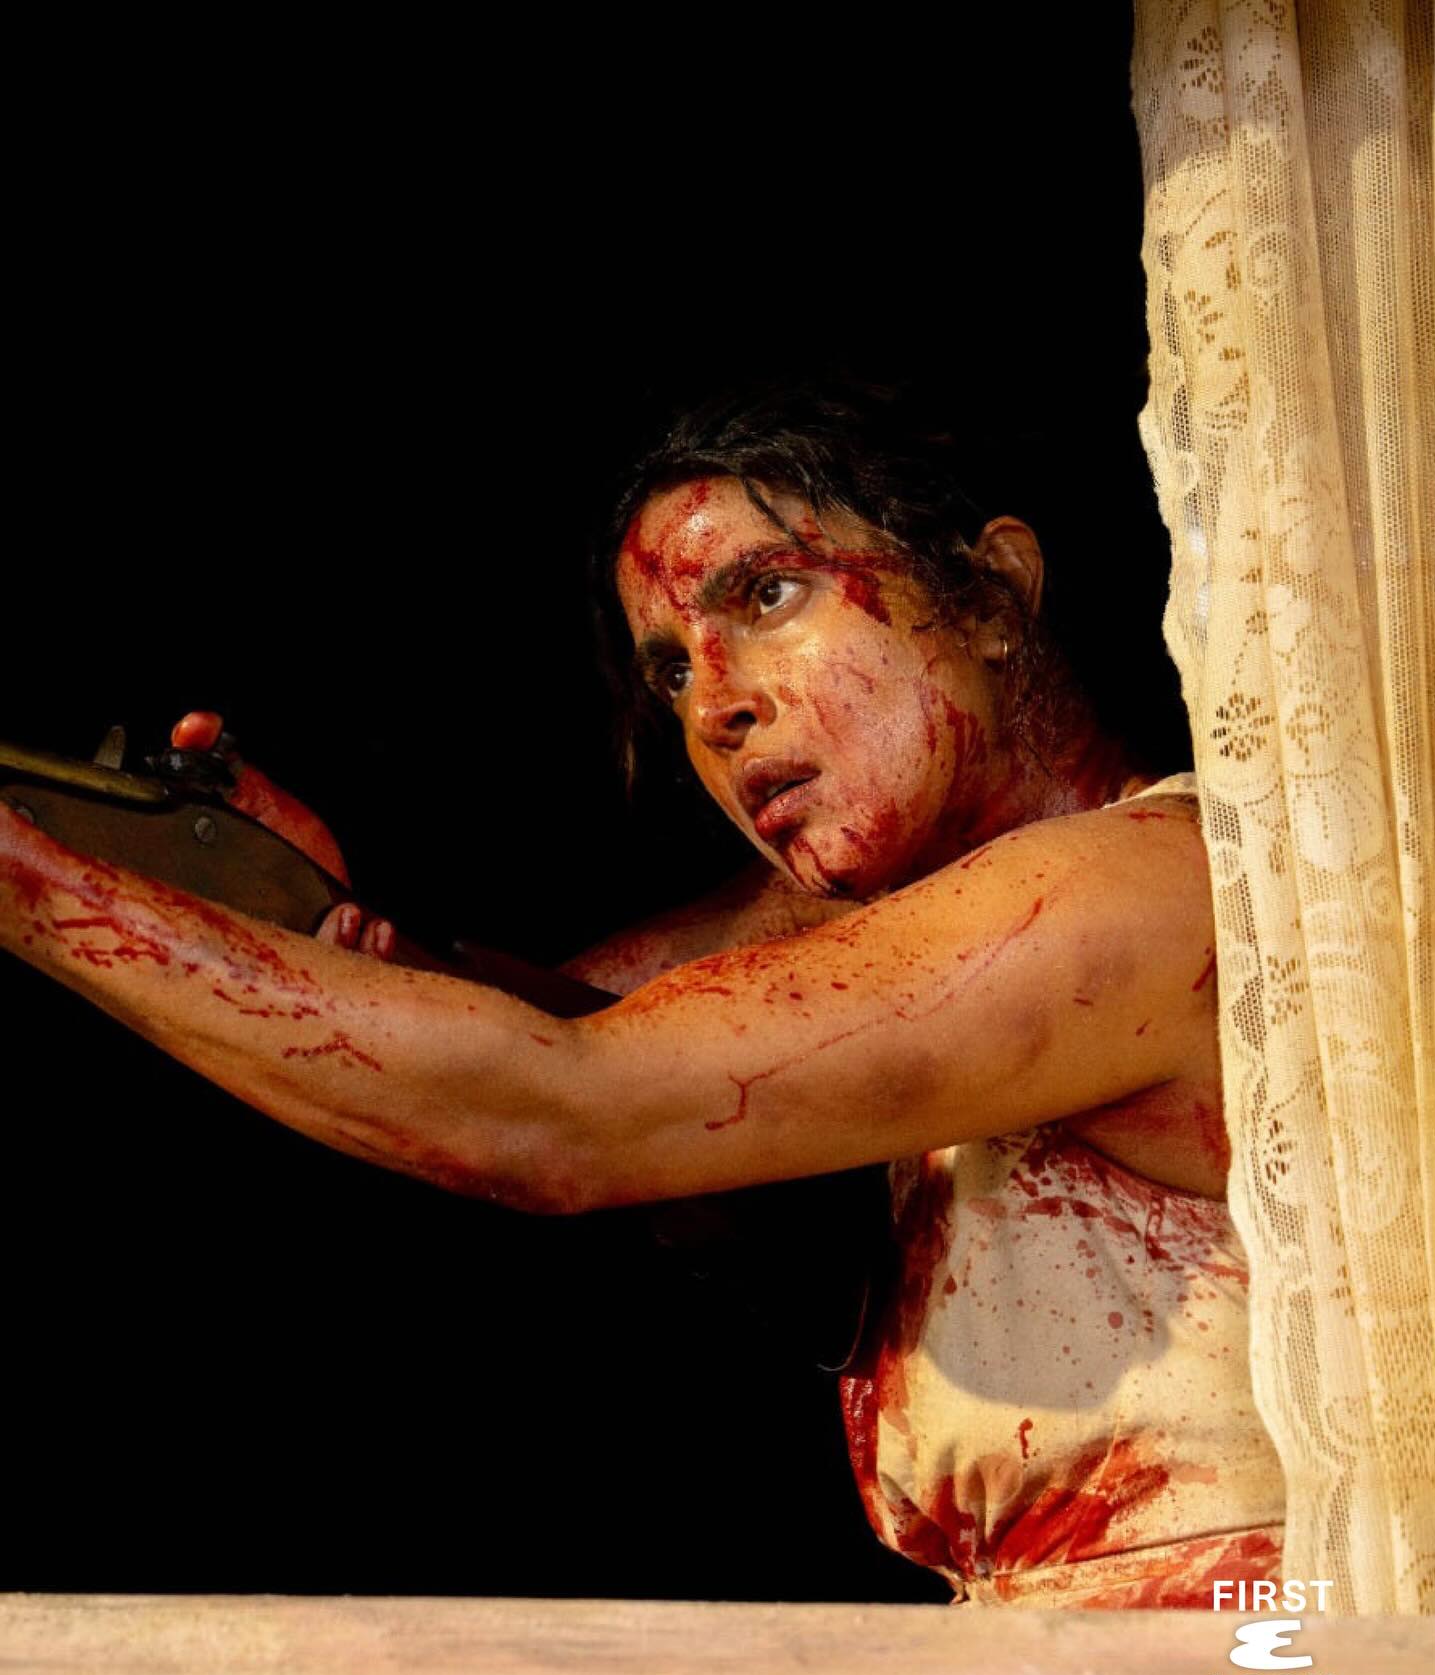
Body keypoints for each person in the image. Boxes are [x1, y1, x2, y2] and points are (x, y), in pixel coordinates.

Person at [0, 381, 1284, 1607]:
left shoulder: (1141, 891)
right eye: (671, 670)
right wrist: (296, 917)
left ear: (994, 594)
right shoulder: (895, 924)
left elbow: (565, 1104)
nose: (713, 704)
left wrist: (39, 897)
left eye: (768, 594)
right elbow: (554, 1031)